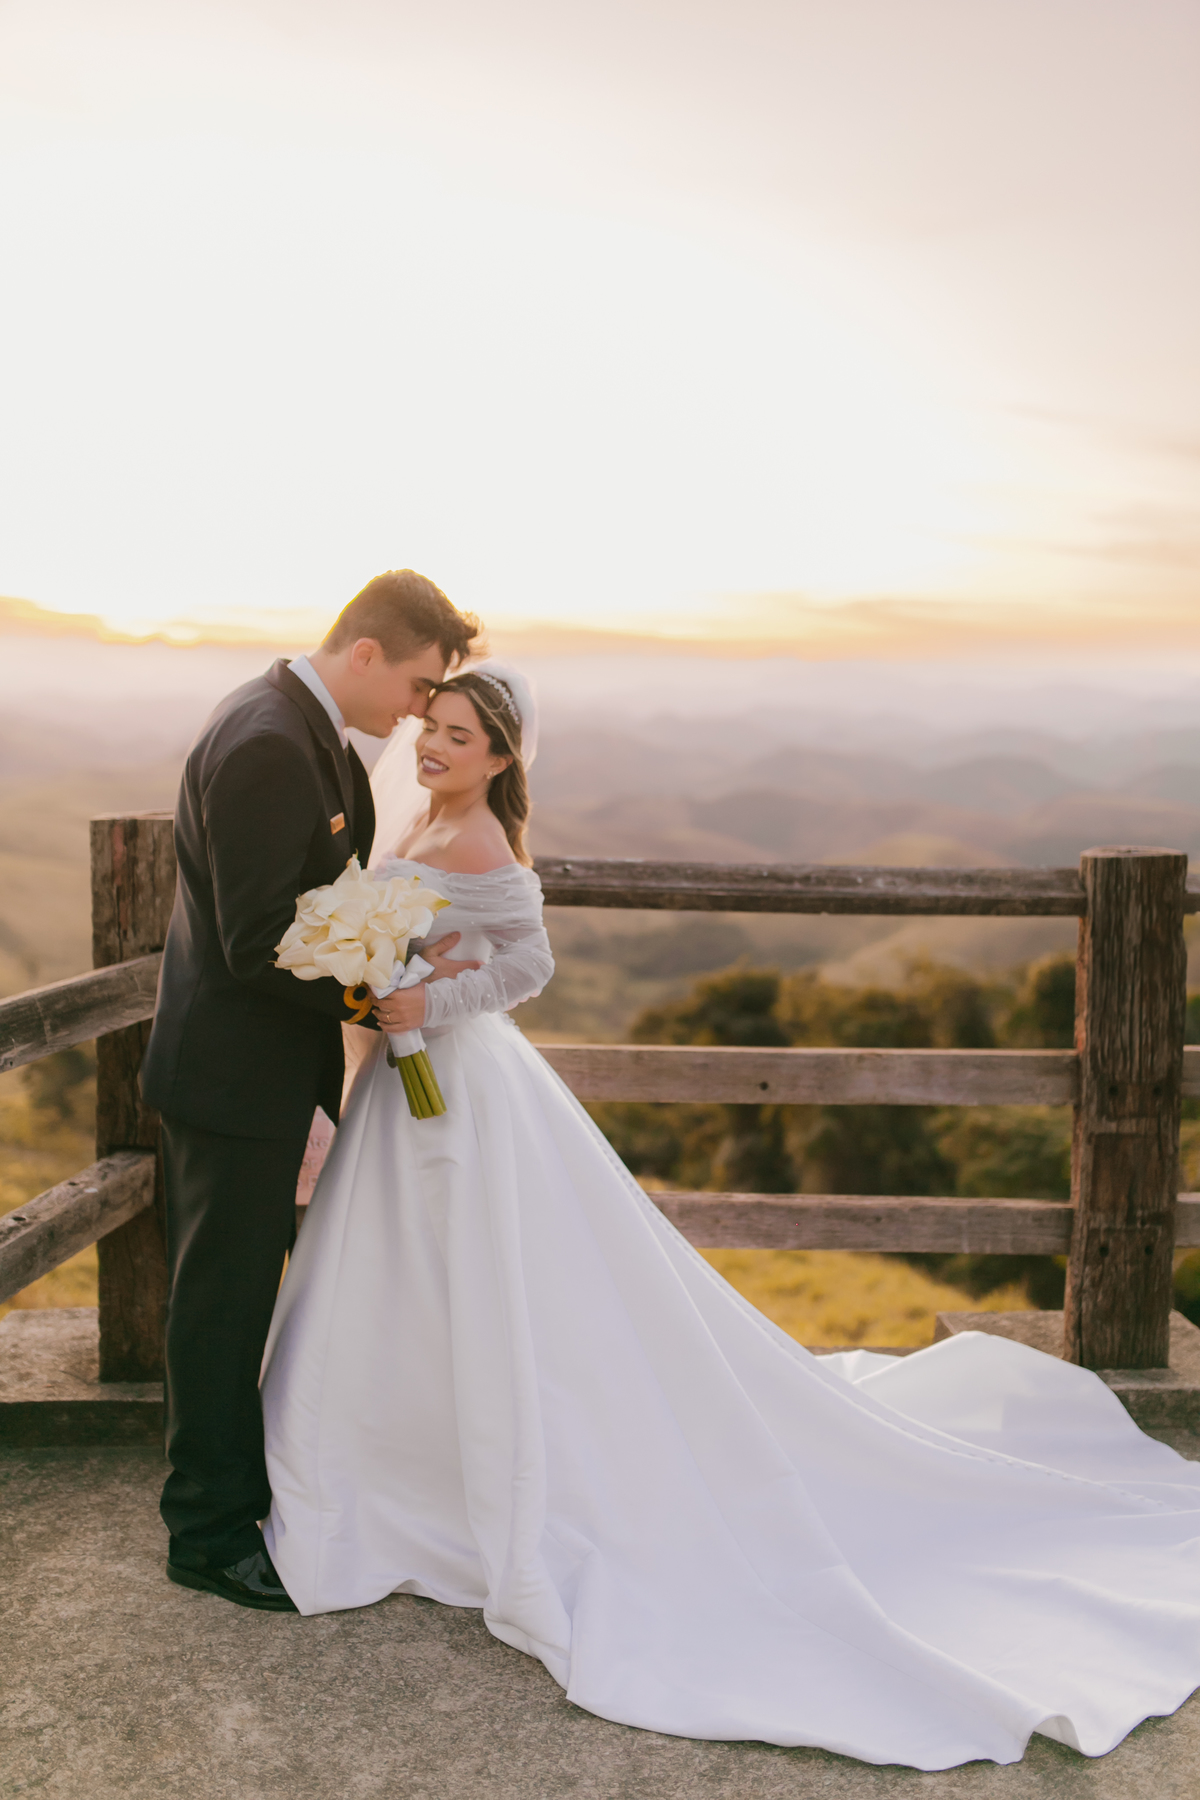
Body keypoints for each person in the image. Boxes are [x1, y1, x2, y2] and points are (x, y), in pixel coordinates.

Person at [260, 665, 1200, 1769]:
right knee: (404, 1281)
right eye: (432, 728)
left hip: (462, 1089)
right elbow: (410, 942)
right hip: (405, 1090)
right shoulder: (419, 816)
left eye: (459, 737)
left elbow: (531, 965)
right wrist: (379, 985)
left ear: (500, 757)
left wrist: (430, 1001)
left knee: (481, 1278)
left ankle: (438, 1485)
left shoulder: (488, 850)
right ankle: (387, 1471)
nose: (434, 747)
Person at [141, 569, 480, 1611]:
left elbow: (311, 902)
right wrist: (373, 999)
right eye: (421, 685)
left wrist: (398, 940)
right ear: (367, 652)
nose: (421, 710)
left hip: (261, 1074)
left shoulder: (310, 731)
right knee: (222, 1307)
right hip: (228, 1079)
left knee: (247, 1296)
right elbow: (254, 943)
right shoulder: (266, 743)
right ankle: (206, 1532)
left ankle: (240, 1497)